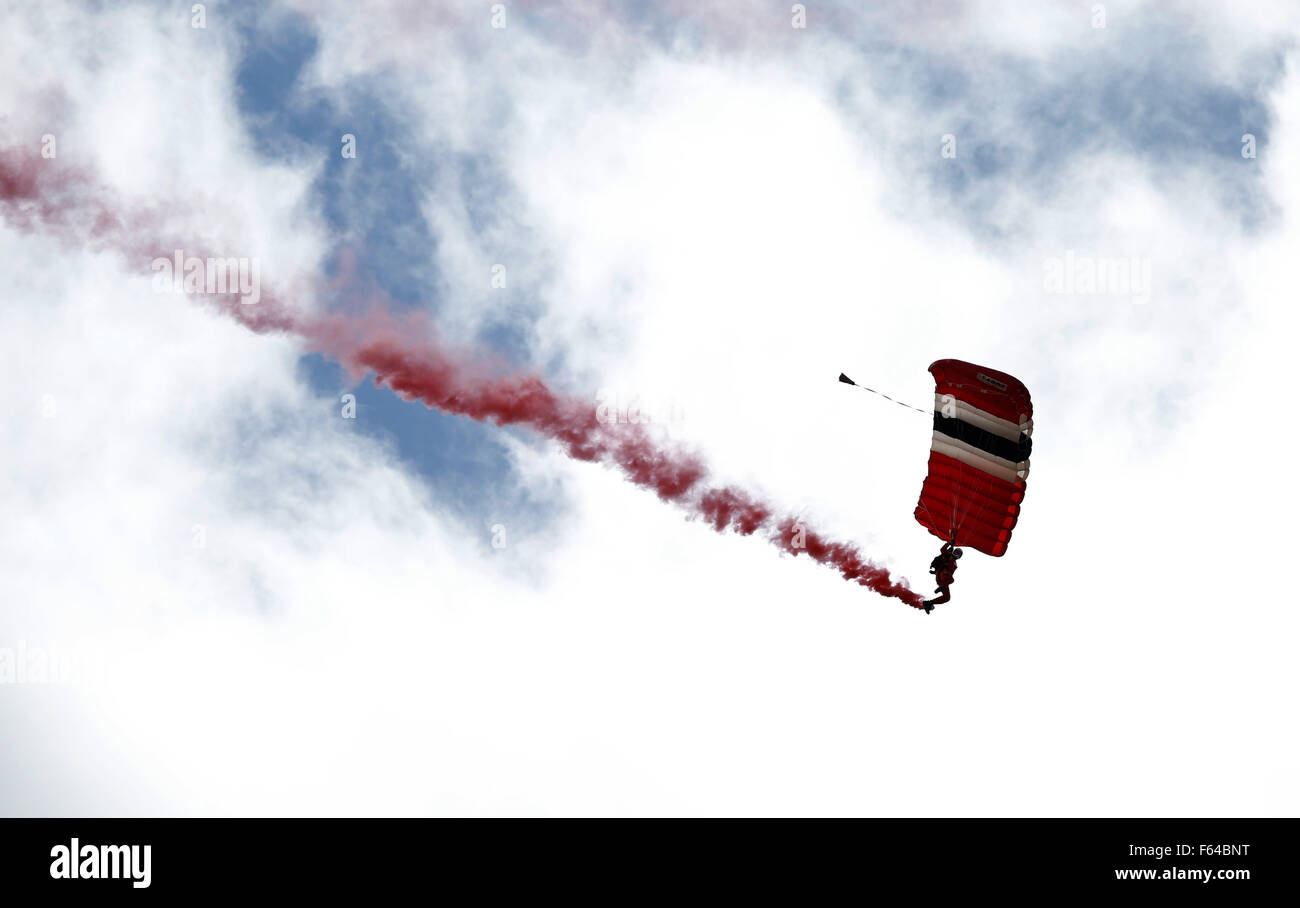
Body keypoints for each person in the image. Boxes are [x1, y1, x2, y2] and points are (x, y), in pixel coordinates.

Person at [922, 542, 962, 613]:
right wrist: (949, 543)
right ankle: (942, 586)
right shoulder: (947, 555)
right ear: (953, 551)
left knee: (947, 598)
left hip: (942, 580)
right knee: (951, 579)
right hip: (942, 575)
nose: (956, 554)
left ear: (959, 557)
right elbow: (943, 549)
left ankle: (928, 603)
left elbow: (950, 573)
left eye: (958, 553)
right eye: (956, 552)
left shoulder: (954, 565)